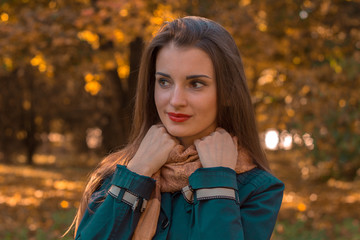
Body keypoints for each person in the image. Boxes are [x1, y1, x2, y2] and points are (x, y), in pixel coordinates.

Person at [71, 16, 284, 240]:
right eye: (164, 81)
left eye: (196, 84)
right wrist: (137, 174)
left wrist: (218, 183)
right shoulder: (115, 174)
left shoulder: (257, 189)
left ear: (228, 92)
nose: (175, 100)